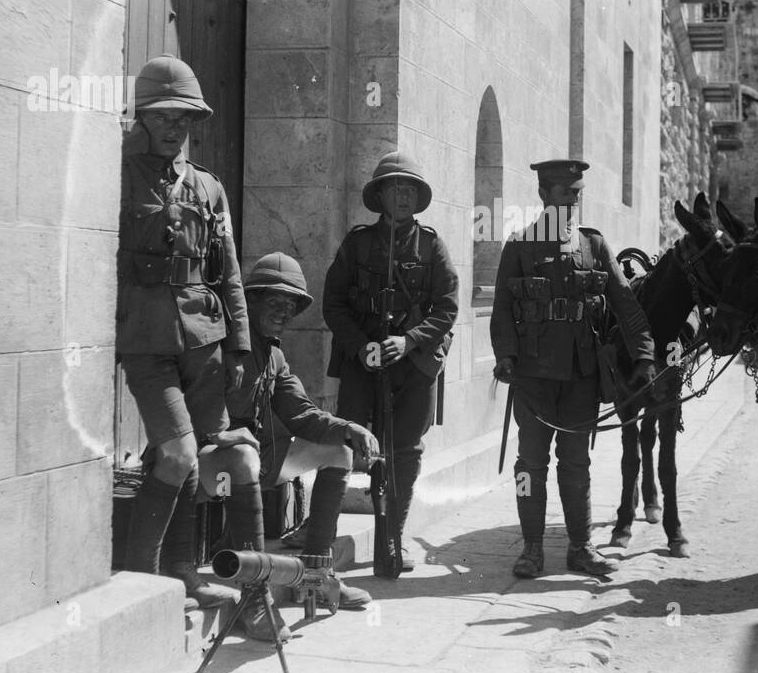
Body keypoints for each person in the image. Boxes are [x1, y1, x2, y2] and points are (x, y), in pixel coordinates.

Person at [117, 55, 249, 612]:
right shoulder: (119, 173)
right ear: (143, 118)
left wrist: (239, 344)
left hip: (205, 339)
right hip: (145, 336)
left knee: (193, 459)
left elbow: (230, 269)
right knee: (176, 452)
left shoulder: (208, 188)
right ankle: (139, 577)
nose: (175, 127)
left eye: (185, 118)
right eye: (164, 115)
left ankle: (181, 571)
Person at [490, 159, 657, 578]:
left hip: (581, 377)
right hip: (533, 379)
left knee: (576, 462)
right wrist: (505, 356)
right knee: (530, 464)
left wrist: (645, 356)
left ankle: (580, 548)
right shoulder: (520, 246)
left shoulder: (594, 246)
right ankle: (531, 549)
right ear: (544, 195)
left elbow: (627, 306)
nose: (573, 201)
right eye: (565, 194)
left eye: (577, 194)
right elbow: (501, 311)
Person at [215, 252, 381, 617]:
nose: (284, 313)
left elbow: (302, 415)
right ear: (251, 301)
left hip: (257, 461)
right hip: (214, 465)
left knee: (339, 452)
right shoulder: (222, 346)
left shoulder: (274, 356)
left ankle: (318, 576)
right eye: (274, 301)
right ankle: (253, 594)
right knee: (243, 457)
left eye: (291, 306)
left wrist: (349, 429)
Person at [320, 152, 459, 573]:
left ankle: (392, 540)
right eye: (395, 188)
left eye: (410, 189)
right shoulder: (357, 243)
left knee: (405, 452)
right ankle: (320, 540)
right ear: (379, 195)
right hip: (364, 363)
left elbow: (447, 308)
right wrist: (361, 346)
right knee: (344, 444)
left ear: (418, 199)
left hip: (414, 366)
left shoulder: (432, 246)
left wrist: (409, 340)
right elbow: (334, 304)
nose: (403, 196)